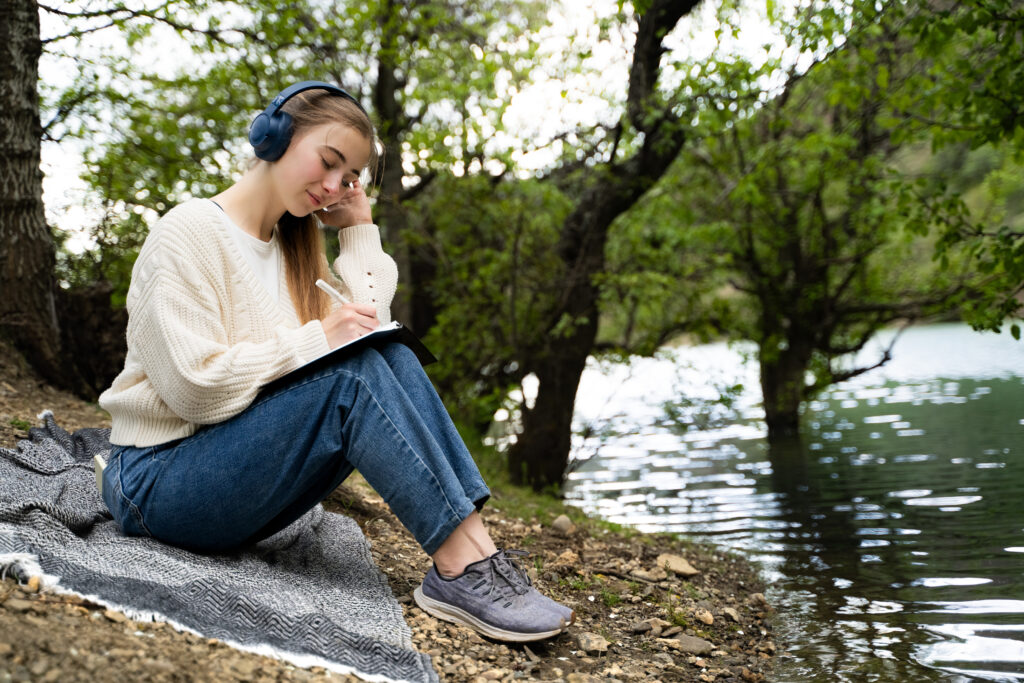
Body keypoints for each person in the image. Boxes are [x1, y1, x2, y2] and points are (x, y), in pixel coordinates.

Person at [98, 81, 573, 642]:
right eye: (327, 163)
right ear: (273, 135)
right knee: (351, 378)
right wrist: (316, 339)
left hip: (225, 470)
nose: (332, 187)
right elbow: (193, 391)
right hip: (155, 482)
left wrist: (356, 226)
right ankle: (460, 566)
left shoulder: (295, 247)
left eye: (347, 177)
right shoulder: (187, 234)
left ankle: (479, 558)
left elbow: (368, 323)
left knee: (386, 351)